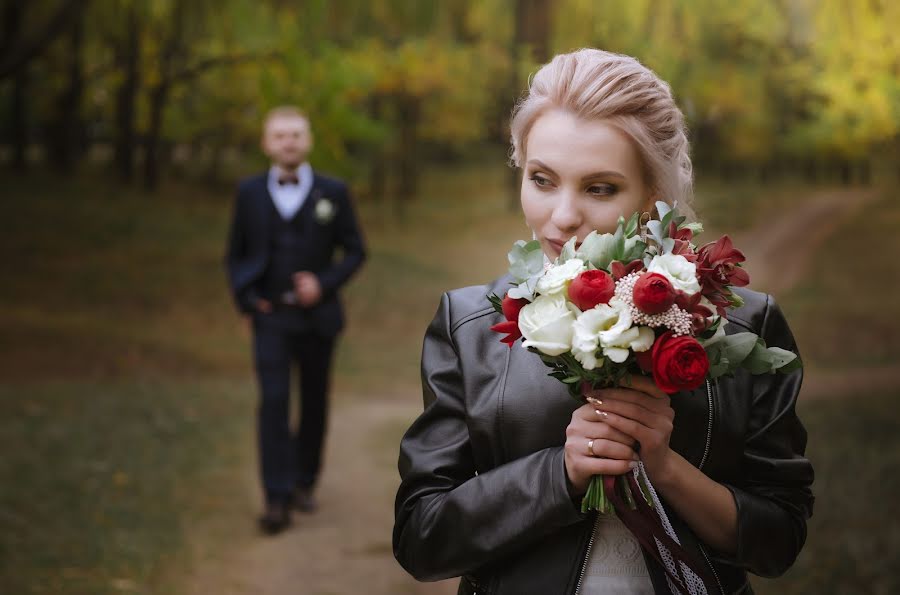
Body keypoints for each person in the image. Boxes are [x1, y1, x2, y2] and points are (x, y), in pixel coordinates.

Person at [393, 49, 813, 594]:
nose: (562, 216)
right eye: (542, 180)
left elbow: (779, 540)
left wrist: (665, 469)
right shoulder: (469, 327)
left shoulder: (744, 329)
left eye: (599, 188)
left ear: (653, 196)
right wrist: (560, 474)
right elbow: (421, 539)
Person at [226, 106, 366, 534]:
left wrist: (323, 284)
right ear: (267, 143)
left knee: (313, 400)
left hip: (318, 318)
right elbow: (236, 253)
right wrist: (249, 300)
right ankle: (276, 497)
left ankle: (305, 481)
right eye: (280, 135)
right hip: (270, 318)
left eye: (296, 134)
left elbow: (356, 250)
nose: (288, 141)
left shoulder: (333, 192)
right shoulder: (248, 193)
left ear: (307, 141)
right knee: (272, 402)